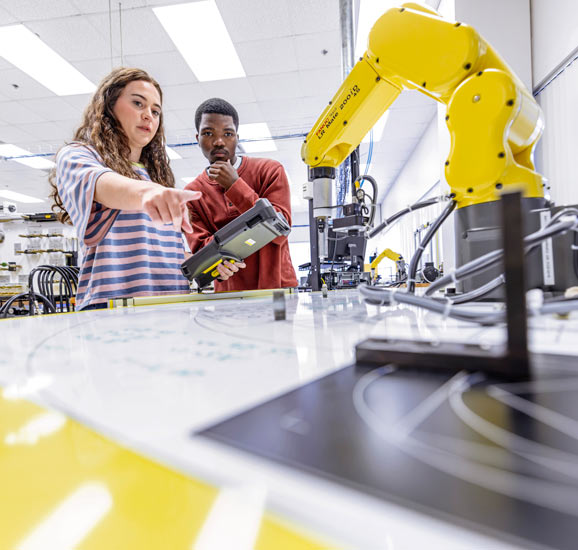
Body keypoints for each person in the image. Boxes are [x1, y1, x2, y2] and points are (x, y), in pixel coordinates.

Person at [49, 67, 201, 310]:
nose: (148, 116)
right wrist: (149, 193)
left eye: (155, 111)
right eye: (138, 104)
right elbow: (104, 184)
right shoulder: (79, 156)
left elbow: (157, 251)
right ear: (109, 105)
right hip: (111, 308)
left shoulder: (157, 177)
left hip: (171, 305)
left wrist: (203, 263)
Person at [184, 98, 298, 291]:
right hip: (229, 297)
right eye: (208, 133)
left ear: (237, 137)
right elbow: (202, 255)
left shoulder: (270, 171)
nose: (219, 142)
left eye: (227, 133)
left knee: (282, 322)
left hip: (278, 290)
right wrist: (217, 266)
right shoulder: (192, 194)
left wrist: (234, 186)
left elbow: (280, 230)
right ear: (198, 138)